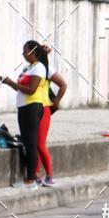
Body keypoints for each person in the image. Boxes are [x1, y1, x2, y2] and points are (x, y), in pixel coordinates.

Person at [0, 40, 50, 187]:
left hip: (32, 107)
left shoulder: (39, 68)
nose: (23, 54)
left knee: (31, 143)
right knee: (27, 142)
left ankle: (31, 179)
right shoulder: (27, 68)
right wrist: (9, 83)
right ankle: (30, 177)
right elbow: (19, 87)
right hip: (23, 107)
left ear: (33, 52)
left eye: (25, 51)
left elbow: (31, 90)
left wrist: (10, 82)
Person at [35, 44, 67, 187]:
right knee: (33, 143)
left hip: (43, 109)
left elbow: (63, 84)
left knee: (40, 144)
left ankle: (49, 176)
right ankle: (36, 175)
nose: (24, 55)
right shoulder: (29, 69)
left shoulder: (47, 70)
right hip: (31, 109)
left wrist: (56, 102)